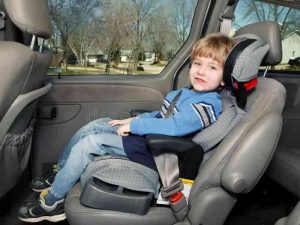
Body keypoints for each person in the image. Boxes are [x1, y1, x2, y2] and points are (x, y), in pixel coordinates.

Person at [18, 33, 234, 223]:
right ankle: (61, 173)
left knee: (90, 144)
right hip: (150, 141)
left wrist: (136, 125)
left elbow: (176, 126)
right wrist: (129, 122)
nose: (201, 71)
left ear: (224, 79)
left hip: (161, 155)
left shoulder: (209, 102)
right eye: (197, 63)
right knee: (96, 125)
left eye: (212, 67)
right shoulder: (186, 92)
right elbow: (162, 115)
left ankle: (52, 202)